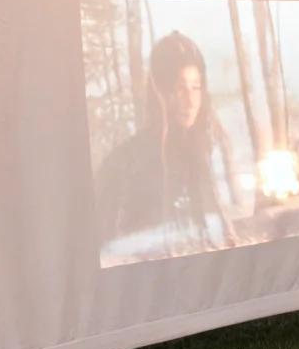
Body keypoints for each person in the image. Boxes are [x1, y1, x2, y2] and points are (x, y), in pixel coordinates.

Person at [96, 31, 237, 258]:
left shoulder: (201, 156)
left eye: (196, 87)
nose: (190, 101)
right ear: (161, 92)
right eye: (181, 88)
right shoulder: (127, 163)